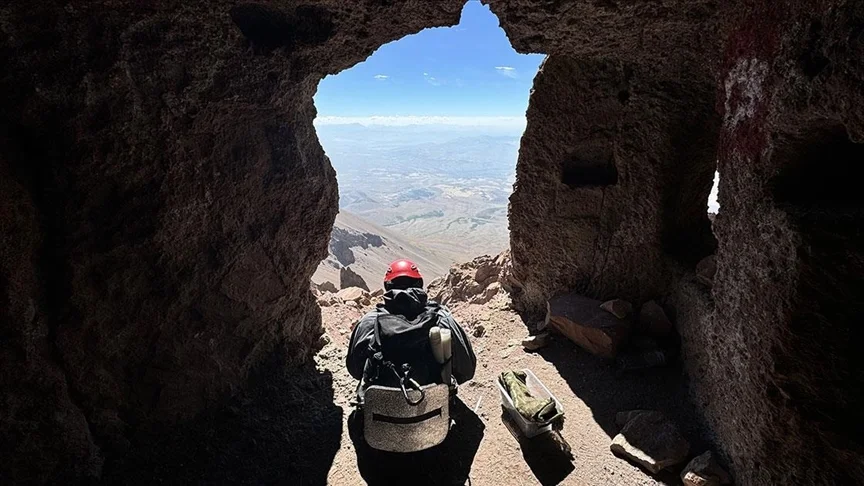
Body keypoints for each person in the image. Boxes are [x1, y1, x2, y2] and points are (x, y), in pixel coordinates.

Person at [346, 259, 476, 403]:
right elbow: (467, 369)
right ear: (419, 284)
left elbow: (355, 370)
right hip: (434, 410)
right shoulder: (442, 318)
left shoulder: (369, 322)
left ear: (387, 286)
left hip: (380, 413)